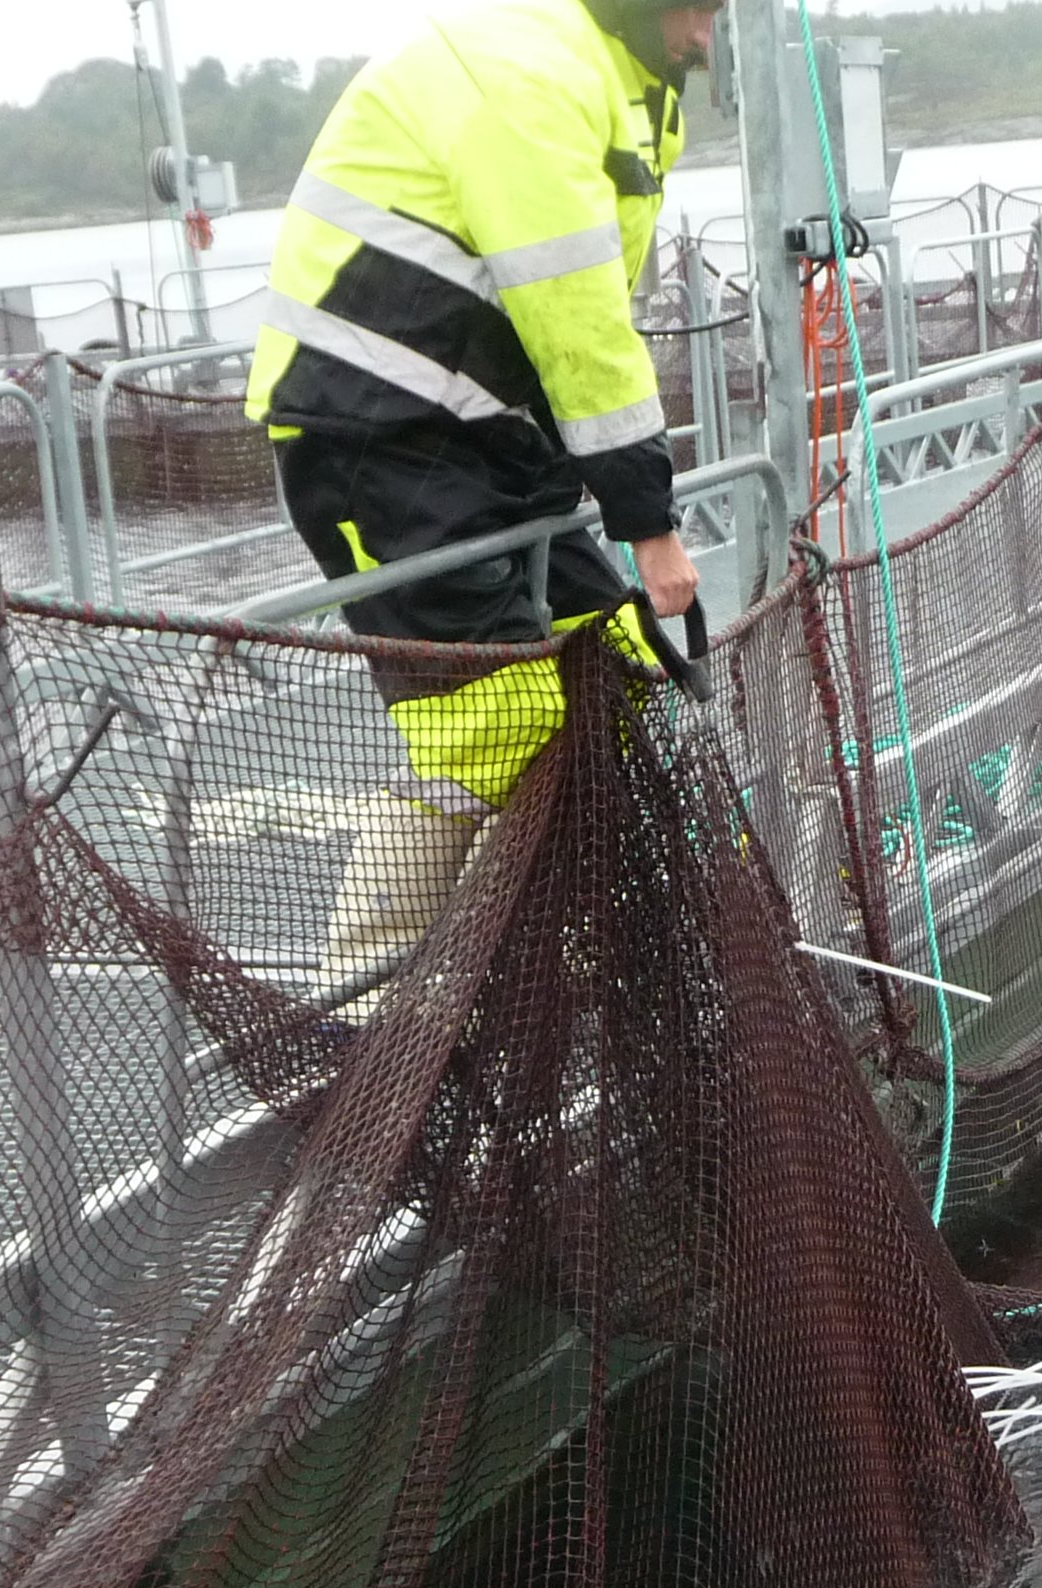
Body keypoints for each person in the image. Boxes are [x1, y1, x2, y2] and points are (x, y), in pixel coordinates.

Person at [246, 0, 718, 993]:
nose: (707, 39)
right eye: (696, 12)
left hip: (485, 434)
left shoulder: (602, 74)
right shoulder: (532, 82)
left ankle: (616, 967)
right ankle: (361, 1018)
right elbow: (580, 321)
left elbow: (579, 320)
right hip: (372, 436)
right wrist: (650, 526)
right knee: (492, 720)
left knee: (614, 669)